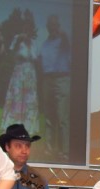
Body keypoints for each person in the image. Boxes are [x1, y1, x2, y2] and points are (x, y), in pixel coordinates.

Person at [1, 10, 39, 134]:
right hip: (18, 71)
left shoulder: (33, 42)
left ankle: (28, 127)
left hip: (30, 73)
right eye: (25, 26)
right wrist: (18, 42)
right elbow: (11, 55)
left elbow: (35, 58)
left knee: (29, 101)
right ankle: (13, 125)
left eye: (29, 27)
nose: (27, 29)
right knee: (16, 98)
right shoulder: (17, 38)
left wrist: (28, 45)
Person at [39, 14, 71, 159]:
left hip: (61, 79)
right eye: (50, 25)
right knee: (49, 116)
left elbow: (67, 44)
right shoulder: (45, 44)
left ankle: (64, 150)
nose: (52, 27)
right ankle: (49, 148)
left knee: (62, 116)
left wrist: (61, 34)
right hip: (47, 79)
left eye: (55, 25)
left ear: (58, 26)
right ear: (47, 27)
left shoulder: (64, 41)